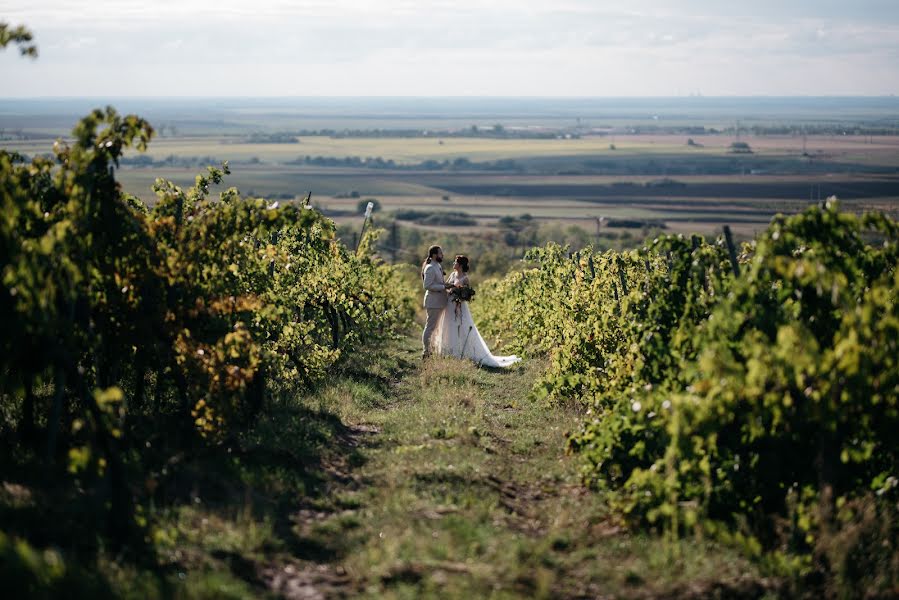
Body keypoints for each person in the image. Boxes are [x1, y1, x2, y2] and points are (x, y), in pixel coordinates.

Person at [432, 255, 521, 368]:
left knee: (461, 326)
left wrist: (460, 296)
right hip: (450, 304)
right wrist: (450, 289)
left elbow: (466, 294)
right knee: (449, 326)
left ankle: (460, 352)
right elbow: (447, 286)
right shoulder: (453, 274)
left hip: (459, 306)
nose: (453, 263)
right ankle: (449, 351)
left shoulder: (465, 278)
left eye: (456, 262)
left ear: (460, 265)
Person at [421, 245, 452, 359]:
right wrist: (444, 287)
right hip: (433, 302)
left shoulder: (437, 265)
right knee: (430, 327)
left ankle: (432, 349)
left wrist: (446, 286)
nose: (442, 255)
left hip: (439, 301)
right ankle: (426, 352)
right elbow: (427, 285)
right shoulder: (429, 267)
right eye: (440, 253)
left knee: (436, 327)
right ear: (434, 255)